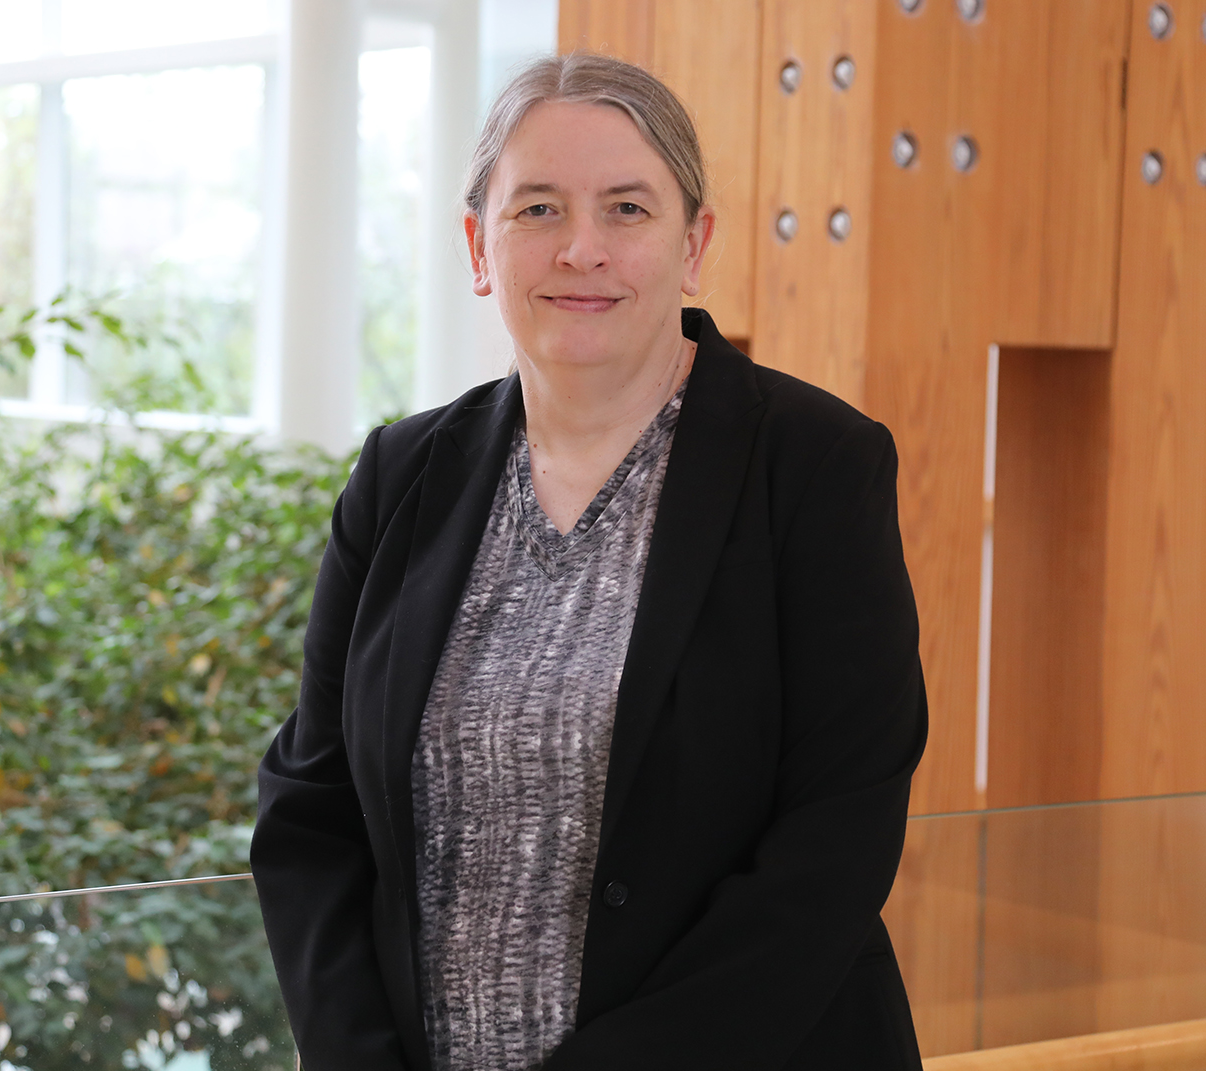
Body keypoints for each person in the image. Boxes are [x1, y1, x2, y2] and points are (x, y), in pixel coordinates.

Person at [250, 52, 927, 1071]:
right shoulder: (400, 475)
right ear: (480, 246)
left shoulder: (815, 466)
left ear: (693, 244)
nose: (581, 249)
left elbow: (836, 838)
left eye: (626, 209)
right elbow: (310, 806)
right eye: (537, 211)